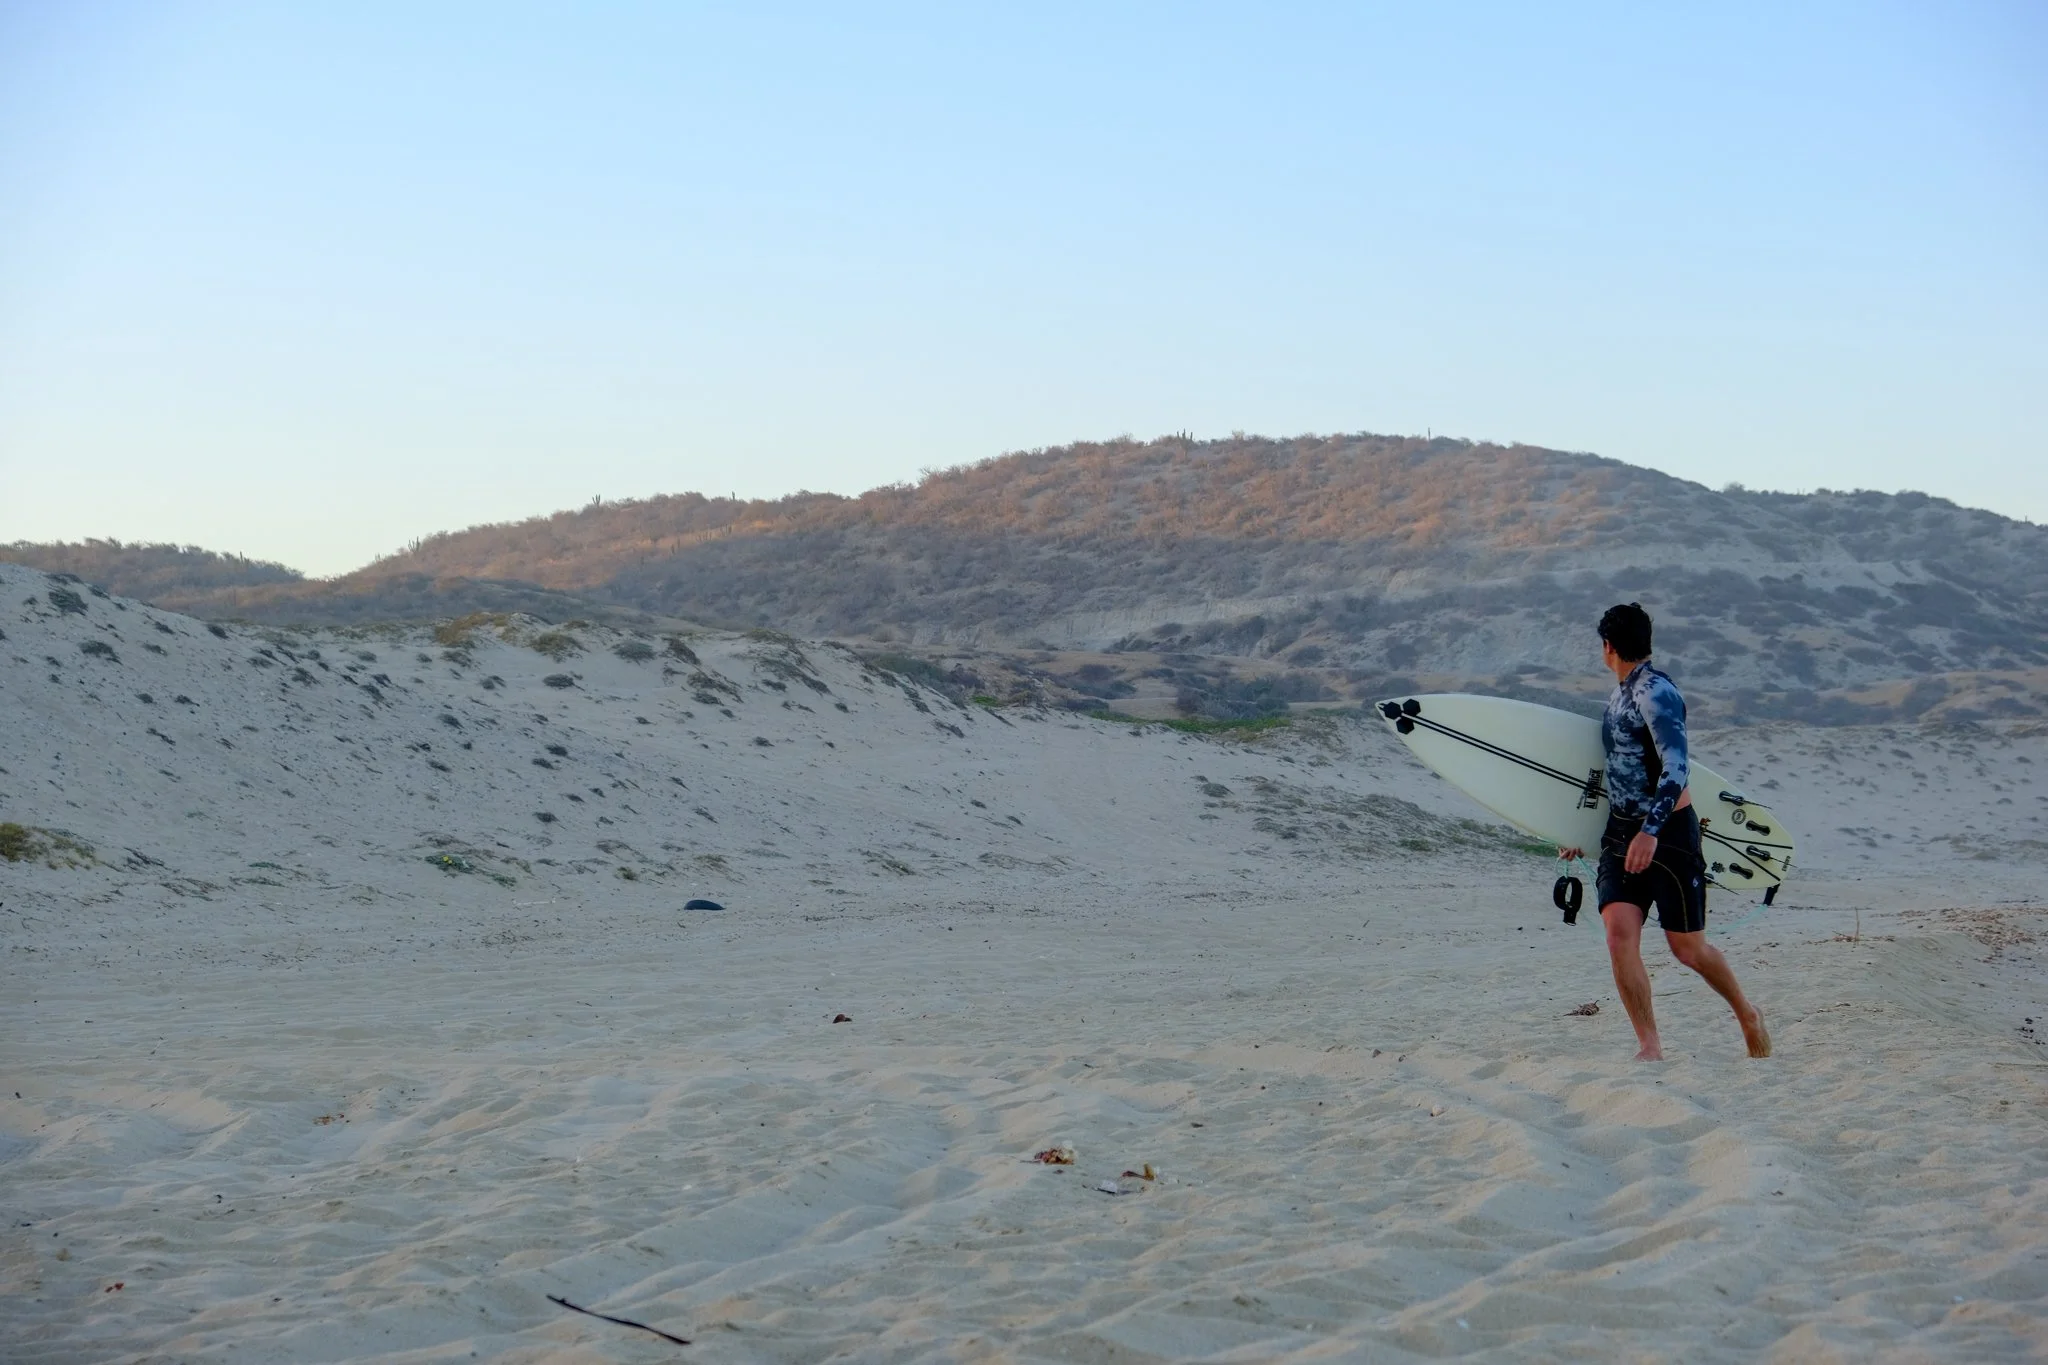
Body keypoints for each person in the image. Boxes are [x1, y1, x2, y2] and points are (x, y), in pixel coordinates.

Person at [1557, 603, 1770, 1061]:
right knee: (1618, 935)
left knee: (1688, 949)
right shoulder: (1619, 696)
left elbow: (1676, 766)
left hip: (1668, 833)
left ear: (1608, 647)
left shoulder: (1657, 693)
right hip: (1621, 831)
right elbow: (1612, 773)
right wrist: (1576, 829)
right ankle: (1649, 1045)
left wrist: (1651, 831)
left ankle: (1747, 1013)